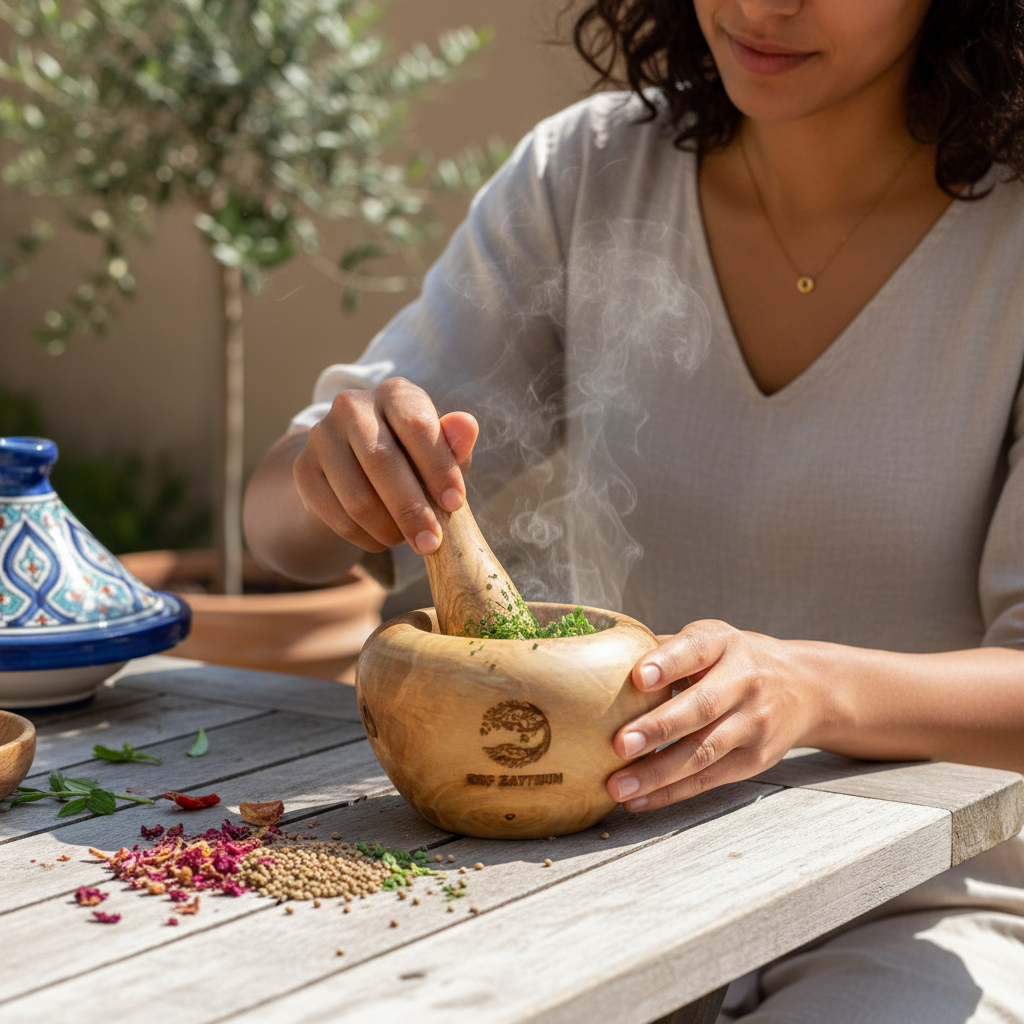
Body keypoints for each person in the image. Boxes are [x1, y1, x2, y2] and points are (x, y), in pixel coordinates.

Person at [244, 1, 1024, 1019]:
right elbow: (278, 534)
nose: (762, 4)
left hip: (920, 905)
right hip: (592, 875)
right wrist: (331, 477)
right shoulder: (588, 171)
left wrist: (813, 690)